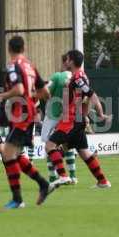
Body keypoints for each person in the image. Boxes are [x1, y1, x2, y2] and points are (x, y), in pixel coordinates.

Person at [0, 36, 54, 209]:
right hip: (28, 112)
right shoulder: (30, 66)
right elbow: (46, 94)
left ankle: (18, 199)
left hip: (21, 113)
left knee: (7, 154)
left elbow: (19, 89)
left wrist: (2, 95)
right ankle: (43, 184)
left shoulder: (13, 65)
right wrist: (31, 96)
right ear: (24, 47)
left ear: (9, 48)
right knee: (15, 155)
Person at [45, 50, 113, 189]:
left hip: (71, 120)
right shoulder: (80, 76)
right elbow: (85, 98)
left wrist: (100, 113)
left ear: (71, 61)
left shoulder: (77, 78)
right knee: (84, 152)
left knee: (50, 145)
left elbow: (92, 95)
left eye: (67, 59)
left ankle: (63, 176)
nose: (65, 62)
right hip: (77, 119)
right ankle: (103, 181)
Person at [41, 54, 77, 184]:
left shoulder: (57, 76)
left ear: (64, 63)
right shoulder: (77, 76)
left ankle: (53, 176)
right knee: (68, 145)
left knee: (49, 146)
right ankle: (73, 176)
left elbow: (46, 91)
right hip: (69, 117)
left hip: (52, 116)